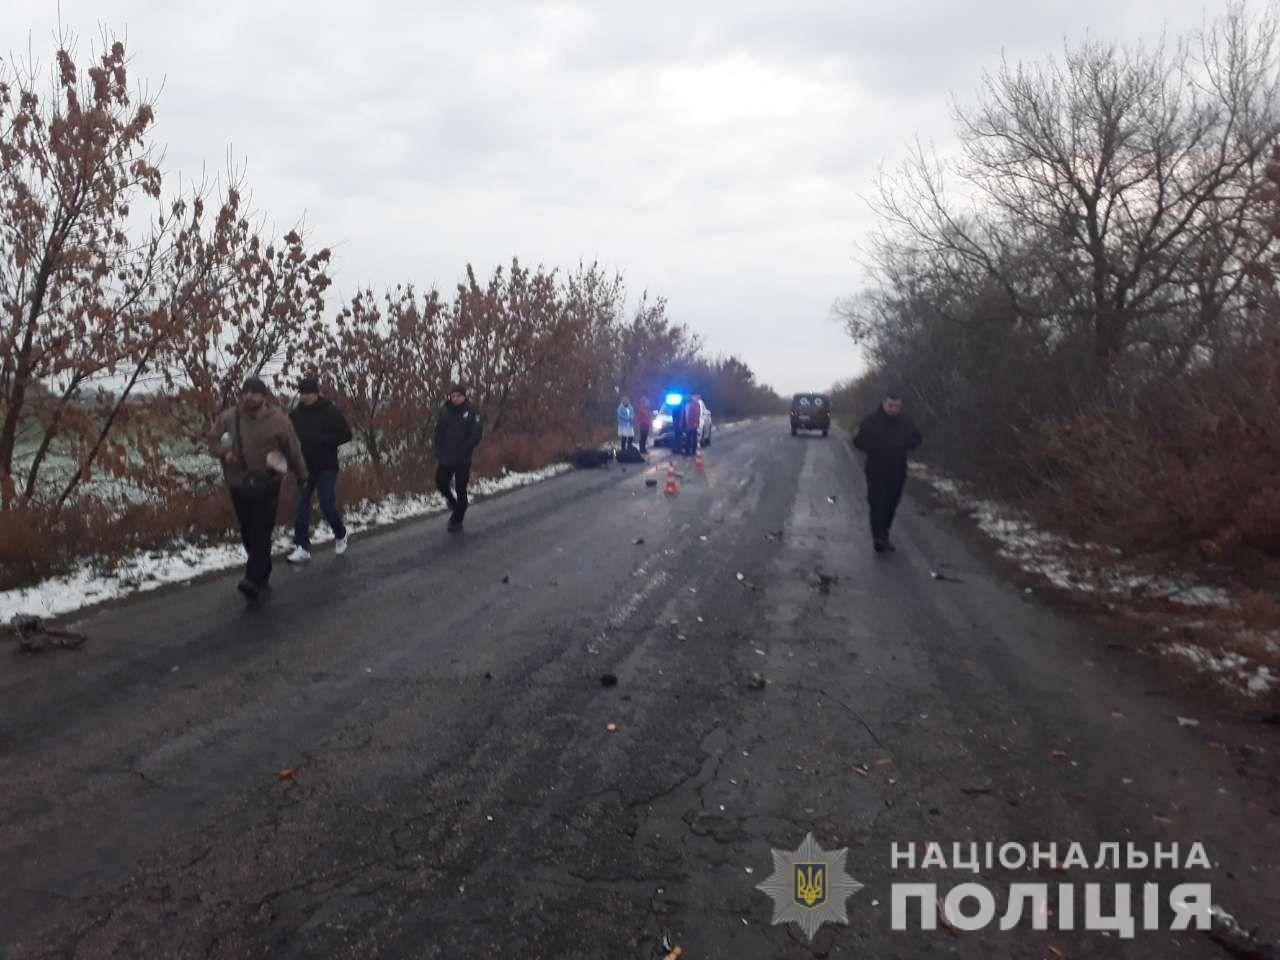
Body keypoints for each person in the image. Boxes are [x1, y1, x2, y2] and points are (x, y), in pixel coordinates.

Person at [208, 376, 307, 599]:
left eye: (254, 392)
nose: (248, 396)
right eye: (245, 392)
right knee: (247, 530)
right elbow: (212, 441)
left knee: (262, 528)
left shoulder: (279, 420)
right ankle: (262, 569)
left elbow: (293, 450)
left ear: (264, 396)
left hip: (267, 483)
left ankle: (252, 578)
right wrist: (225, 453)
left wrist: (302, 474)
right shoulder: (229, 417)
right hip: (238, 482)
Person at [287, 375, 354, 563]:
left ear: (316, 393)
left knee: (326, 503)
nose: (304, 397)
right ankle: (302, 547)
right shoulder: (295, 415)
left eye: (308, 393)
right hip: (304, 467)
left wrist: (322, 440)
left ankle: (340, 534)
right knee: (301, 505)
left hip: (326, 466)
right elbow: (288, 438)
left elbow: (346, 435)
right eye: (301, 393)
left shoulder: (330, 411)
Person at [851, 391, 922, 553]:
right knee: (876, 503)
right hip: (876, 470)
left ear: (900, 407)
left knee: (891, 505)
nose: (893, 409)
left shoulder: (906, 422)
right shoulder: (870, 421)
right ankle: (878, 537)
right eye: (890, 405)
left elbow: (917, 439)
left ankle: (884, 534)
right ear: (884, 404)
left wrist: (906, 444)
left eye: (896, 406)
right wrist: (875, 447)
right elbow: (857, 441)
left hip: (898, 471)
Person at [434, 383, 483, 532]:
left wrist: (465, 448)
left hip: (462, 459)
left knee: (461, 488)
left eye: (458, 396)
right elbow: (438, 431)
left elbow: (476, 435)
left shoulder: (472, 412)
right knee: (441, 482)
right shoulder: (445, 411)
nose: (455, 398)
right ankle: (452, 502)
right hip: (446, 456)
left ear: (464, 396)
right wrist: (438, 449)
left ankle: (457, 519)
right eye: (453, 395)